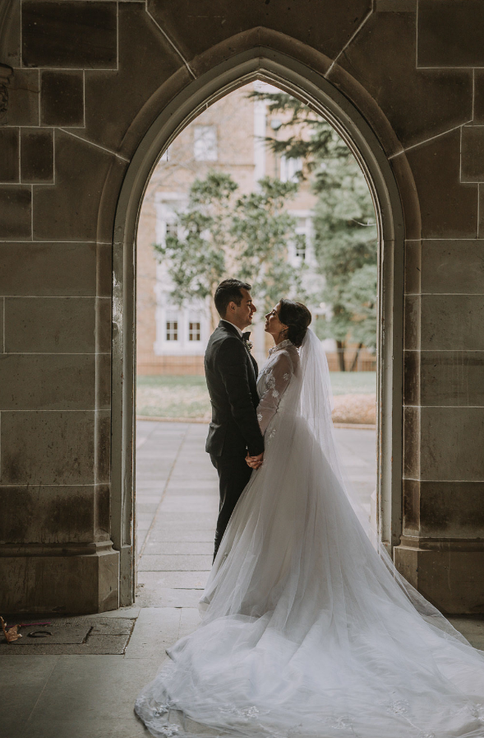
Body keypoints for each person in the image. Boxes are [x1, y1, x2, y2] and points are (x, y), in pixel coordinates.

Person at [136, 299, 484, 738]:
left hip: (282, 443)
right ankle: (275, 581)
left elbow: (267, 407)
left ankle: (279, 589)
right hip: (286, 440)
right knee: (277, 522)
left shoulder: (284, 357)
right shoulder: (286, 353)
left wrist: (253, 445)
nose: (264, 314)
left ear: (285, 326)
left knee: (280, 519)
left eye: (273, 313)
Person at [204, 279, 264, 560]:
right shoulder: (228, 343)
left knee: (234, 512)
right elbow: (240, 402)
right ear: (232, 306)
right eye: (248, 302)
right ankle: (219, 579)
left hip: (227, 440)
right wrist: (255, 446)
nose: (253, 307)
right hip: (232, 445)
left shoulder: (225, 338)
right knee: (230, 514)